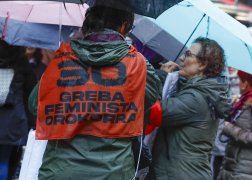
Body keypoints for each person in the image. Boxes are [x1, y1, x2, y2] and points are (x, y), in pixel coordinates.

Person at [28, 5, 161, 180]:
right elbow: (147, 102)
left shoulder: (63, 60)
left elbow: (36, 106)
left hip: (61, 170)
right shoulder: (139, 65)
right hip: (114, 170)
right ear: (123, 26)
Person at [146, 37, 232, 179]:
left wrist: (160, 77)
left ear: (202, 65)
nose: (181, 58)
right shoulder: (201, 91)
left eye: (188, 54)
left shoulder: (196, 98)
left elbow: (154, 112)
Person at [0, 40, 37, 180]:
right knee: (4, 161)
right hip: (13, 123)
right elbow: (31, 97)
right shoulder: (22, 63)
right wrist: (32, 124)